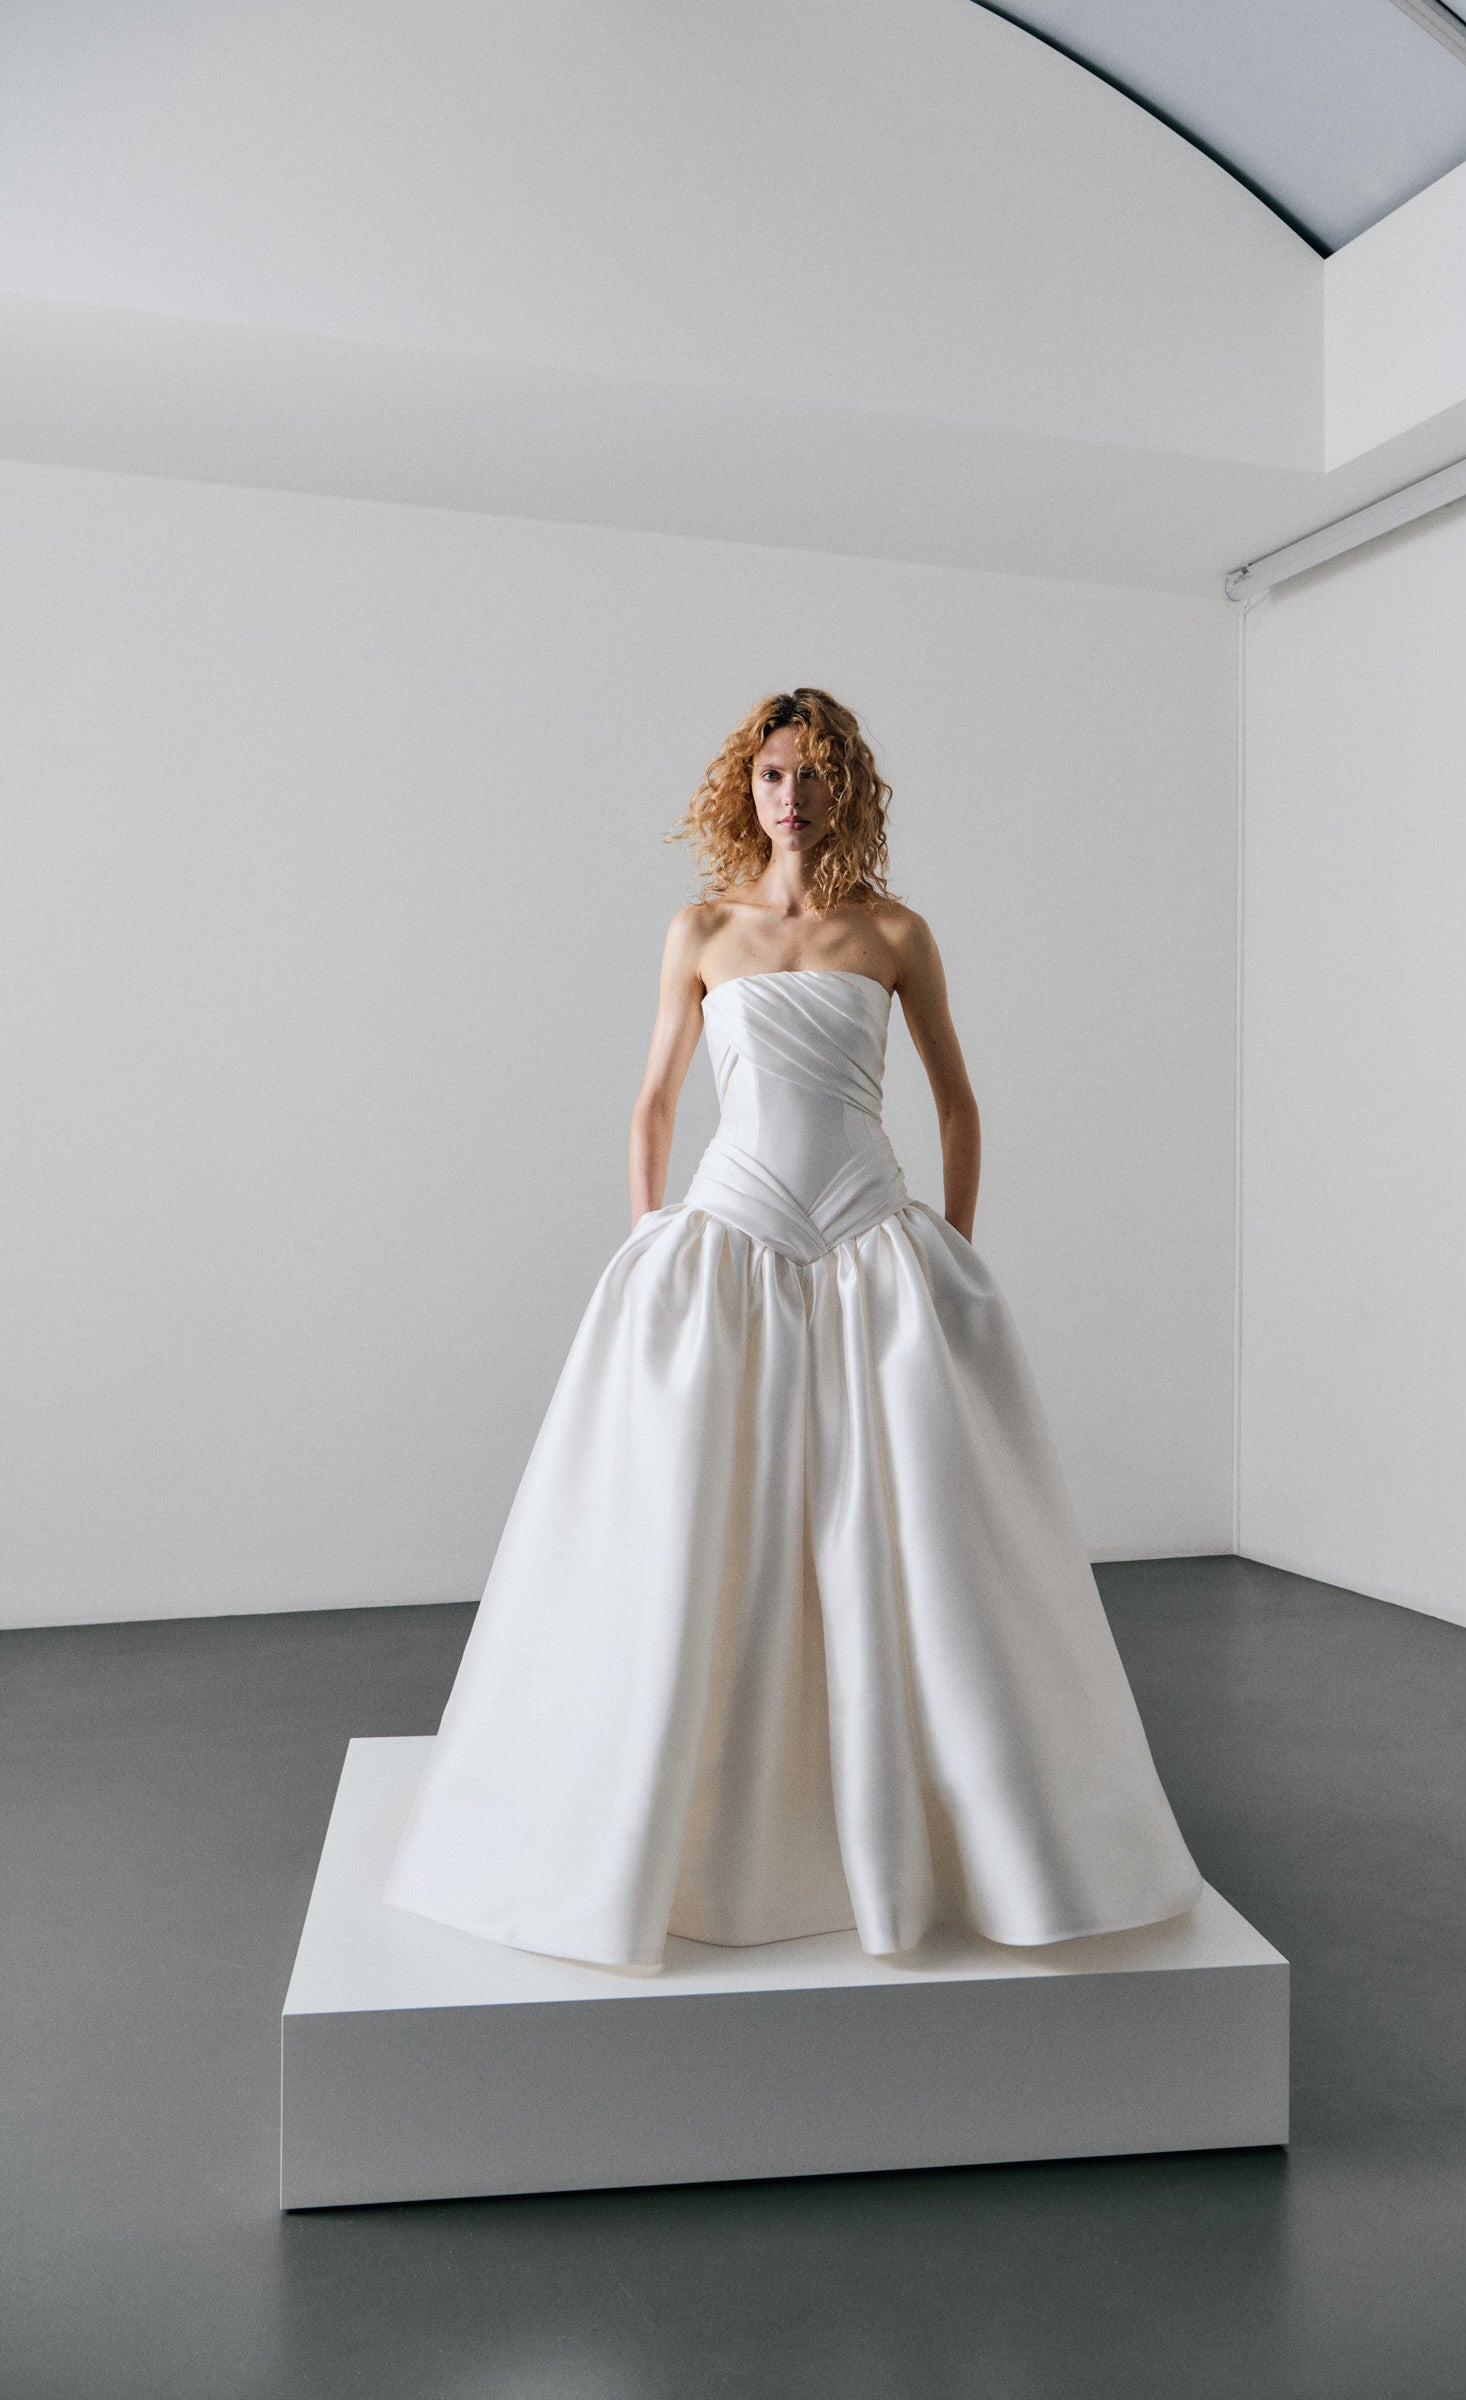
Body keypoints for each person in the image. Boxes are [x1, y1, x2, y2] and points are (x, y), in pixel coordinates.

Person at [384, 688, 1202, 1969]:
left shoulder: (895, 932)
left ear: (847, 788)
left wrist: (950, 1253)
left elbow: (959, 1103)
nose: (792, 794)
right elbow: (653, 1101)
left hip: (870, 1237)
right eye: (772, 773)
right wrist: (652, 1236)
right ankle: (698, 1830)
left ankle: (950, 1822)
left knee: (905, 1519)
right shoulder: (700, 930)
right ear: (745, 788)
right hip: (735, 1232)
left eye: (815, 773)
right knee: (717, 1510)